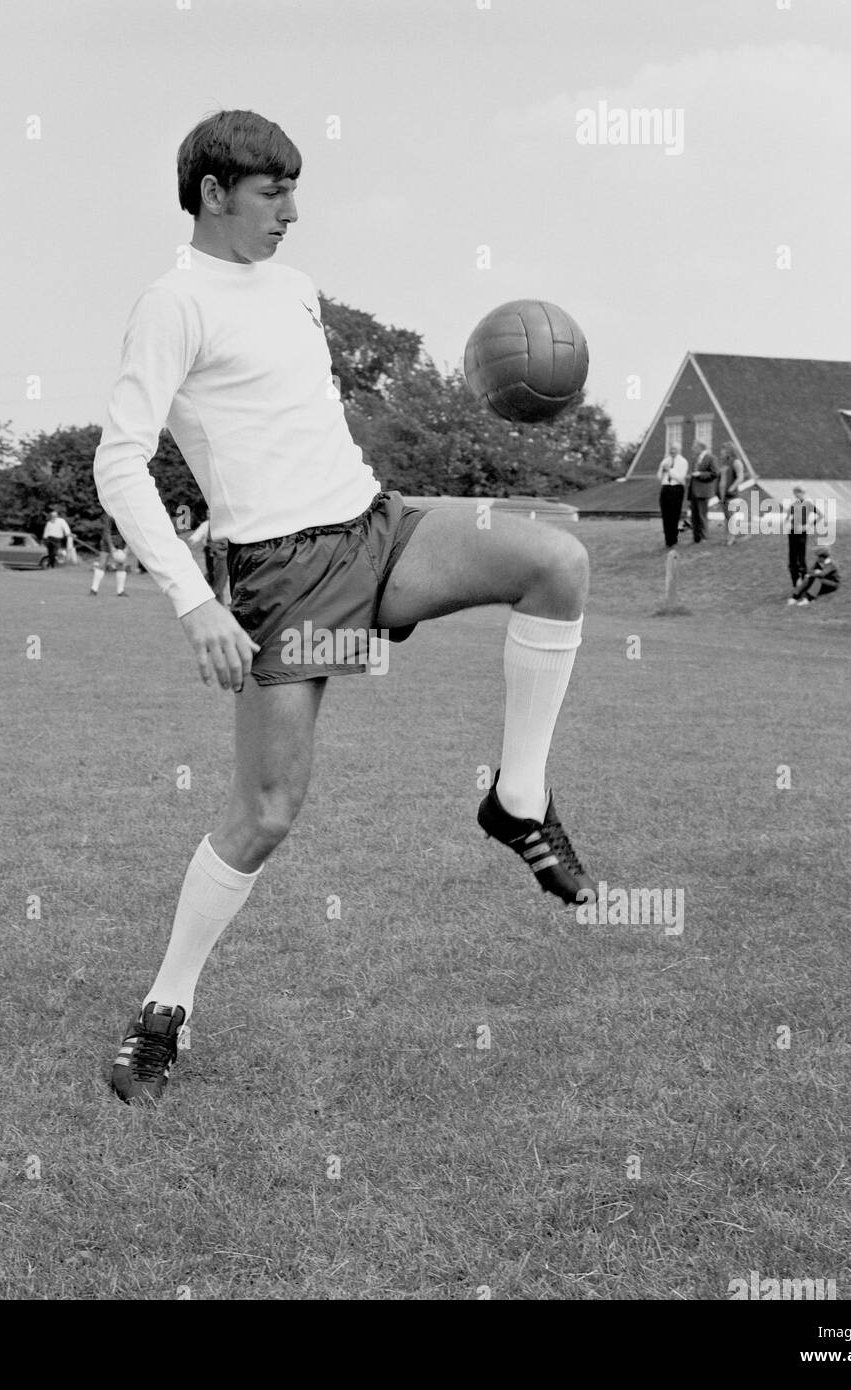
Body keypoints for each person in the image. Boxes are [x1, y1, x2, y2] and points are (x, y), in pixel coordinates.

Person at [93, 109, 594, 1105]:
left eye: (294, 189)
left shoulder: (293, 289)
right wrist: (195, 602)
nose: (291, 211)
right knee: (267, 811)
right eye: (272, 192)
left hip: (376, 528)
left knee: (556, 561)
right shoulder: (172, 304)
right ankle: (165, 1008)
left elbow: (296, 421)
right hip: (281, 573)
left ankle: (518, 800)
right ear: (211, 194)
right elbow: (118, 463)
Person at [89, 514, 129, 596]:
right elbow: (107, 532)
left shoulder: (128, 516)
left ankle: (120, 591)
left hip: (120, 541)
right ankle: (94, 590)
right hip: (107, 541)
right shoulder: (110, 514)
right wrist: (111, 547)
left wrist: (127, 548)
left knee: (121, 565)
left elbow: (132, 534)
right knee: (102, 564)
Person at [785, 485, 816, 591]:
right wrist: (789, 525)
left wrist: (809, 525)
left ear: (804, 493)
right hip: (792, 533)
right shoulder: (793, 505)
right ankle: (795, 583)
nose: (798, 494)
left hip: (802, 533)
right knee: (792, 559)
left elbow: (820, 516)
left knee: (801, 558)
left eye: (800, 492)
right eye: (796, 492)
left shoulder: (808, 504)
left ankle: (805, 583)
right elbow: (787, 518)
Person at [657, 444, 688, 549]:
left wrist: (669, 470)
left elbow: (680, 478)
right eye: (671, 449)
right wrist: (662, 470)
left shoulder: (683, 462)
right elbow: (659, 476)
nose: (672, 451)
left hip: (676, 488)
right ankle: (667, 539)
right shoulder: (665, 461)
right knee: (665, 514)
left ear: (679, 450)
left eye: (674, 449)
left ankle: (673, 539)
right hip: (666, 487)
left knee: (674, 514)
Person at [687, 445, 717, 544]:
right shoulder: (695, 459)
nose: (692, 449)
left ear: (700, 448)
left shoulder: (711, 458)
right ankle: (696, 538)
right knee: (694, 516)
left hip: (703, 492)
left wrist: (700, 474)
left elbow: (714, 473)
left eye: (694, 447)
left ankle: (704, 537)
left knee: (702, 515)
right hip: (694, 491)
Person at [716, 447, 745, 544]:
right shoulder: (724, 463)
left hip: (731, 494)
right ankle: (728, 537)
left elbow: (740, 477)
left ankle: (732, 538)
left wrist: (732, 488)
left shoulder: (736, 462)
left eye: (723, 452)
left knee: (730, 516)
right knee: (726, 517)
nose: (721, 454)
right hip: (722, 494)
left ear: (729, 452)